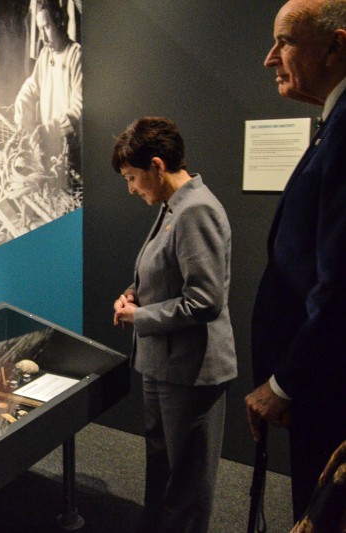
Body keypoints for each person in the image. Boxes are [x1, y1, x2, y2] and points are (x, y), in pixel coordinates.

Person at [245, 0, 346, 522]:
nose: (269, 58)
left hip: (329, 392)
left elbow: (341, 286)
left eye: (284, 40)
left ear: (335, 45)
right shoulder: (332, 127)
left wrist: (284, 382)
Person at [111, 117, 237, 533]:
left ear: (158, 166)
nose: (131, 188)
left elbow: (204, 301)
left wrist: (139, 317)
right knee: (164, 471)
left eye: (132, 178)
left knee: (186, 483)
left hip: (190, 371)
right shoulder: (174, 206)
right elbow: (166, 274)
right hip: (162, 365)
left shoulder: (196, 209)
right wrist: (134, 294)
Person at [13, 0, 82, 173]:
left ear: (59, 21)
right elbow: (31, 87)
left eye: (46, 27)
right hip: (48, 149)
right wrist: (22, 105)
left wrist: (52, 130)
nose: (43, 36)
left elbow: (80, 109)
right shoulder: (45, 55)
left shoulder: (76, 55)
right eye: (40, 29)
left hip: (71, 152)